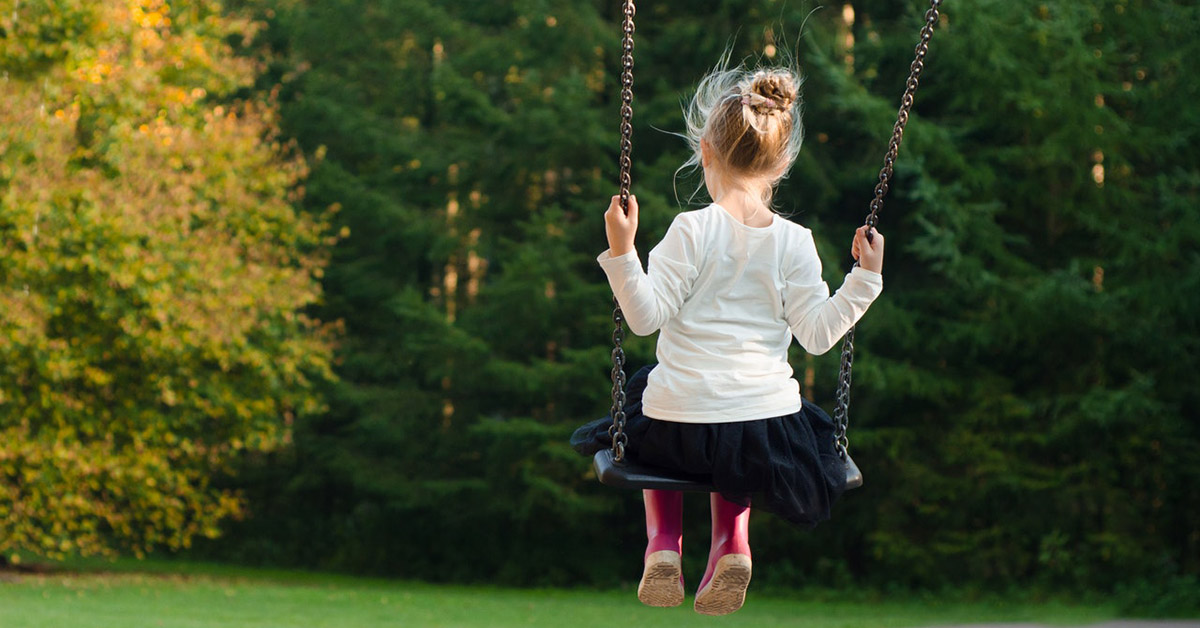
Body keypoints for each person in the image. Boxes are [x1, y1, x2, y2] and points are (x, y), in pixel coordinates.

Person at [571, 58, 886, 615]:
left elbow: (643, 318)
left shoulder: (690, 230)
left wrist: (623, 252)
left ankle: (663, 544)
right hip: (764, 430)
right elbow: (817, 336)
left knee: (650, 399)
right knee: (739, 436)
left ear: (706, 153)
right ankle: (732, 544)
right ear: (782, 162)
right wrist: (864, 279)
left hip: (678, 425)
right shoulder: (796, 242)